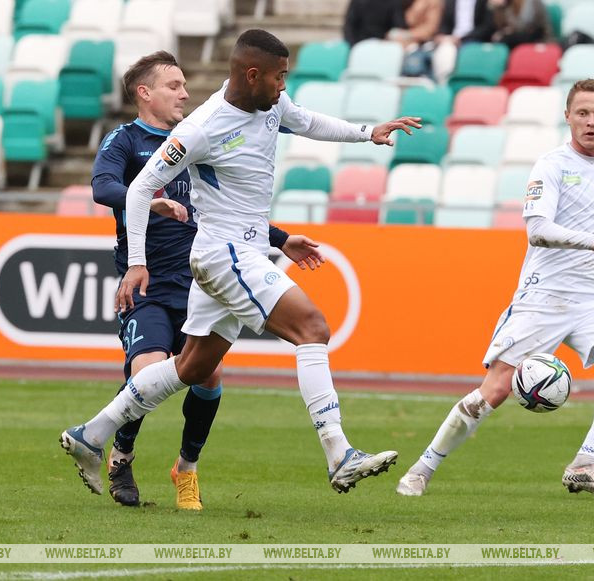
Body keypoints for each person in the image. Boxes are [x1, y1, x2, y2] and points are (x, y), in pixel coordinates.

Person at [61, 29, 421, 497]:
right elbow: (140, 188)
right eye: (278, 77)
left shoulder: (271, 104)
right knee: (312, 327)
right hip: (224, 254)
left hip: (235, 253)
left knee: (193, 368)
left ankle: (90, 435)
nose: (283, 86)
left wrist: (366, 133)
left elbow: (307, 121)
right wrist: (136, 261)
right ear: (252, 75)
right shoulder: (202, 128)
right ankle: (339, 453)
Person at [82, 51, 325, 510]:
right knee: (146, 369)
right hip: (149, 284)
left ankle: (187, 468)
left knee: (209, 376)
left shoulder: (198, 134)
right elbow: (103, 187)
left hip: (200, 278)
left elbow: (225, 210)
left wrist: (281, 238)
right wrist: (148, 200)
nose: (185, 93)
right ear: (144, 93)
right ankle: (121, 455)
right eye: (173, 85)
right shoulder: (125, 140)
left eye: (184, 84)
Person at [396, 78, 594, 500]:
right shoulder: (551, 165)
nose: (590, 122)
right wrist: (592, 241)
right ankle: (421, 469)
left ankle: (585, 464)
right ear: (568, 116)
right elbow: (537, 230)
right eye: (583, 113)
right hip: (543, 297)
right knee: (496, 389)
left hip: (592, 300)